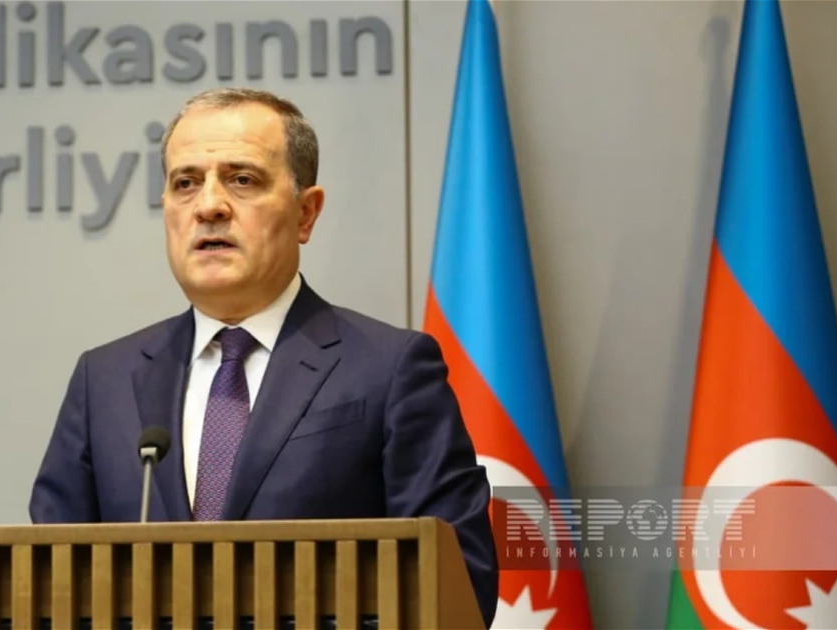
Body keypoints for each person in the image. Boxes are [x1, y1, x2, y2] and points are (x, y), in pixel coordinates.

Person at [29, 87, 498, 627]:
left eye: (242, 180)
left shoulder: (390, 369)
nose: (208, 206)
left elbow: (457, 580)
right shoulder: (105, 380)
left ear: (306, 213)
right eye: (185, 183)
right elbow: (43, 586)